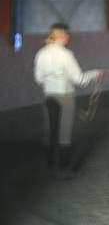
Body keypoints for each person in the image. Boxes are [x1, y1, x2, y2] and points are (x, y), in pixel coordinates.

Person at [34, 23, 102, 179]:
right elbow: (79, 79)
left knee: (50, 130)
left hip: (49, 95)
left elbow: (38, 79)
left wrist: (51, 80)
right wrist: (95, 74)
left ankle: (50, 164)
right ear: (61, 37)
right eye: (66, 35)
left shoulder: (40, 54)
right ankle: (64, 168)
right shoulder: (66, 55)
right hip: (65, 96)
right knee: (64, 132)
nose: (68, 37)